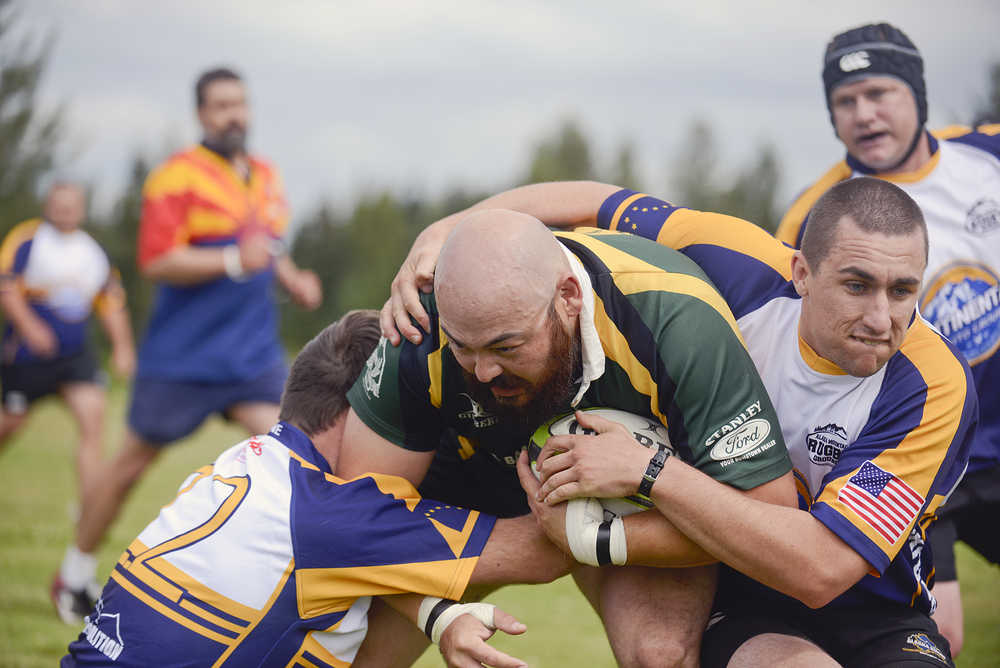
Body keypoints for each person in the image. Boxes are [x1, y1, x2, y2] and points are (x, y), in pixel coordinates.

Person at [381, 177, 977, 667]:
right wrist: (446, 235)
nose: (881, 317)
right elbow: (595, 200)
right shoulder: (734, 262)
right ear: (799, 272)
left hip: (877, 609)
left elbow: (819, 569)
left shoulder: (933, 386)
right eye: (856, 285)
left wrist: (647, 474)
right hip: (742, 599)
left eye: (903, 291)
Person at [342, 209, 795, 668]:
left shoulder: (676, 320)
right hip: (465, 475)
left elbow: (769, 518)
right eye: (462, 346)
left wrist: (599, 538)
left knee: (660, 654)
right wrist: (438, 615)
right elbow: (354, 513)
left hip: (627, 497)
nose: (483, 371)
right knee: (357, 655)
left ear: (569, 297)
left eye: (506, 346)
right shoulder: (421, 323)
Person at [62, 310, 570, 667]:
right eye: (401, 418)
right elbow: (537, 552)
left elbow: (347, 565)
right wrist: (631, 471)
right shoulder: (329, 512)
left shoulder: (244, 464)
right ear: (362, 413)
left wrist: (438, 617)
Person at [53, 66, 323, 623]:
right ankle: (75, 572)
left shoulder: (267, 175)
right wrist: (229, 260)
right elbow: (155, 261)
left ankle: (302, 594)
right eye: (222, 105)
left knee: (303, 454)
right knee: (130, 466)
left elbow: (267, 249)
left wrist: (292, 278)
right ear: (201, 114)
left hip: (251, 356)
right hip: (182, 358)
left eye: (241, 104)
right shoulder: (174, 178)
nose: (235, 115)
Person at [774, 23, 1000, 657]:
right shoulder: (812, 217)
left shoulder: (986, 159)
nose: (864, 114)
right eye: (845, 102)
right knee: (942, 631)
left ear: (918, 95)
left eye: (880, 93)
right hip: (915, 449)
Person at [0, 182, 136, 622]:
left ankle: (87, 505)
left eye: (72, 205)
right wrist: (28, 326)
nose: (64, 211)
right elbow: (6, 288)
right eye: (58, 204)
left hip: (75, 359)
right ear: (48, 205)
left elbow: (111, 301)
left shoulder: (90, 252)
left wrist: (122, 347)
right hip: (26, 356)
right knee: (10, 425)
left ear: (81, 208)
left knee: (93, 418)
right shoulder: (26, 239)